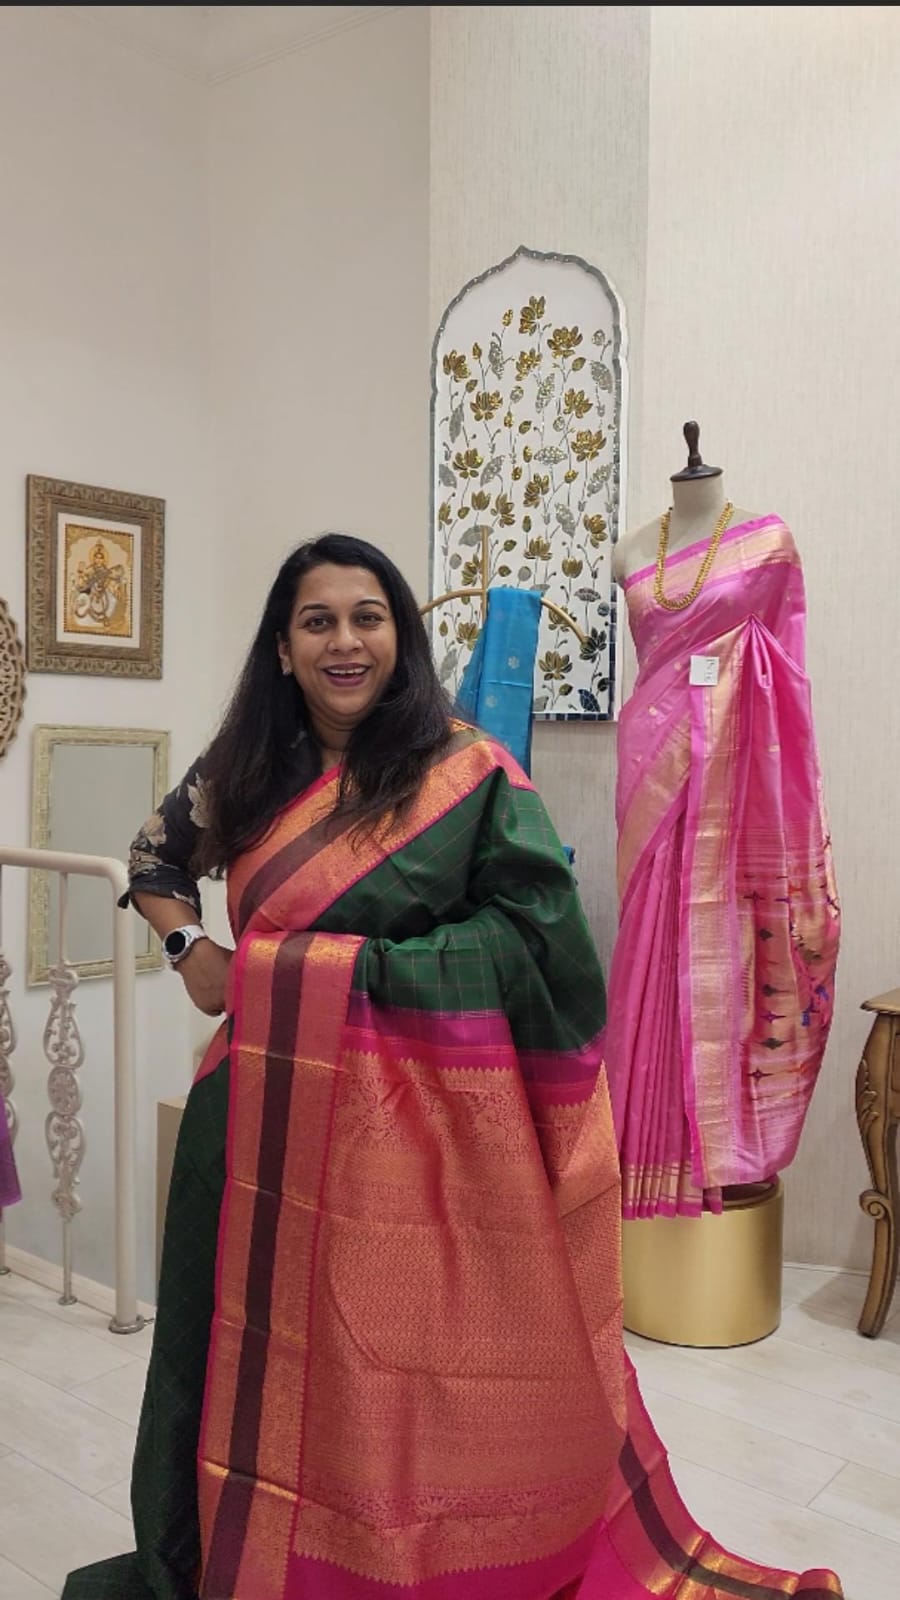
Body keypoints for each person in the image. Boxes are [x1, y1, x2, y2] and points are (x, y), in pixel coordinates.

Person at [63, 534, 842, 1600]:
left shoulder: (465, 769)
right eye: (317, 621)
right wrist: (189, 948)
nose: (345, 641)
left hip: (419, 1135)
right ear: (283, 648)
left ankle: (390, 1563)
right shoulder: (243, 770)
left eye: (367, 617)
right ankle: (213, 1560)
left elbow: (540, 941)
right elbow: (153, 858)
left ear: (400, 635)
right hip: (257, 1112)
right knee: (228, 1349)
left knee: (390, 1371)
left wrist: (331, 971)